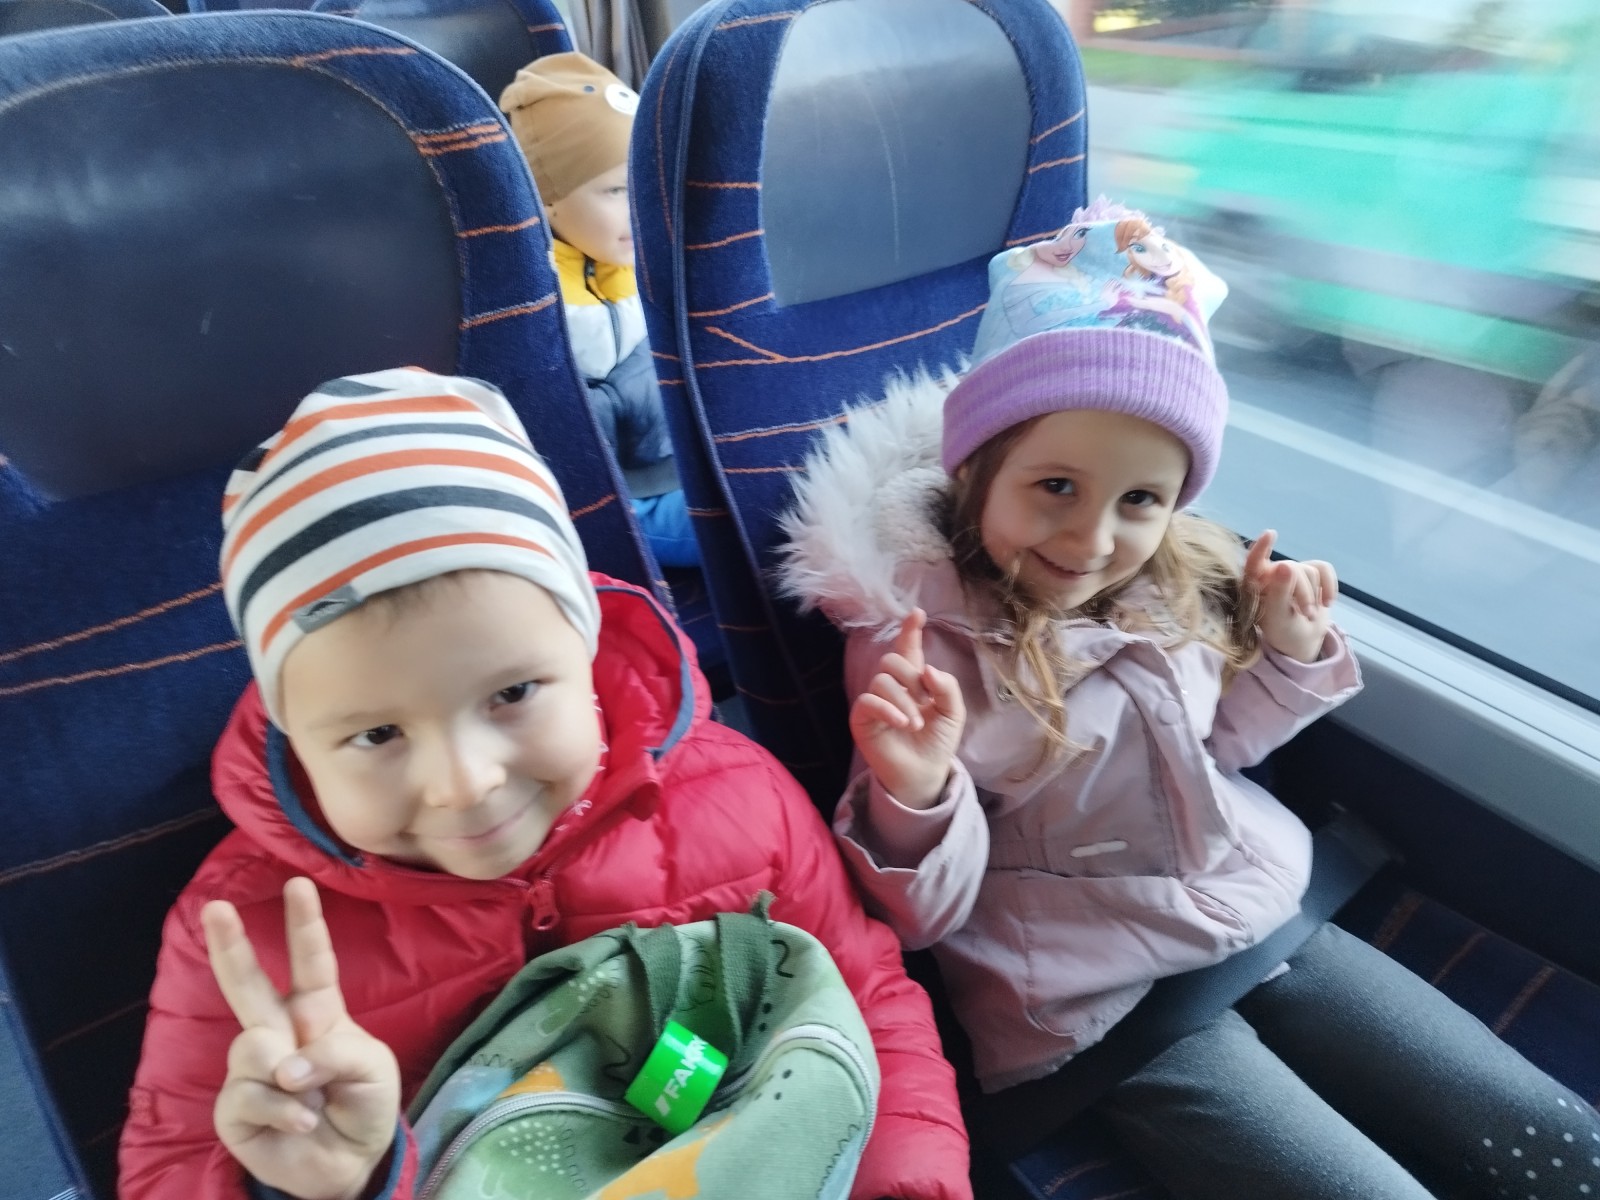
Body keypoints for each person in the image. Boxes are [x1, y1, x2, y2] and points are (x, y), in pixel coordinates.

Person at [779, 197, 1600, 1199]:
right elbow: (923, 919)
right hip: (1086, 995)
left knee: (1535, 1127)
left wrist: (1289, 653)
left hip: (1245, 904)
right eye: (1054, 487)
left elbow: (1215, 751)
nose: (1092, 539)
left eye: (1140, 501)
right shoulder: (919, 641)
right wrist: (914, 795)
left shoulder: (1164, 582)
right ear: (978, 469)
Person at [117, 369, 968, 1200]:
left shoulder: (737, 799)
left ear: (585, 649)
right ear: (297, 738)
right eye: (376, 735)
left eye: (513, 693)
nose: (464, 783)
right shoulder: (246, 935)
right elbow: (177, 1159)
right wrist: (325, 1184)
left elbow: (863, 998)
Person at [499, 53, 699, 568]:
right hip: (609, 499)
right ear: (546, 199)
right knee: (755, 523)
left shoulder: (642, 260)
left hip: (669, 462)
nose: (641, 208)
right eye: (615, 190)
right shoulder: (528, 294)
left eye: (646, 185)